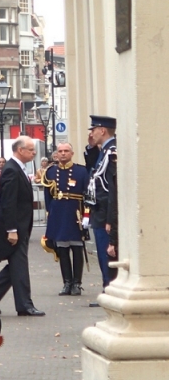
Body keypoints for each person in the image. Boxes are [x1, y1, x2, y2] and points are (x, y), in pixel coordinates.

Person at [0, 136, 45, 317]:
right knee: (19, 265)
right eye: (31, 149)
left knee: (17, 265)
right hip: (15, 227)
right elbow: (8, 202)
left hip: (20, 226)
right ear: (20, 150)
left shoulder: (17, 168)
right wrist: (11, 230)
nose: (34, 153)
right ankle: (25, 305)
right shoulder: (11, 170)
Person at [42, 143, 89, 295]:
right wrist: (51, 213)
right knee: (62, 249)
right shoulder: (50, 171)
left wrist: (86, 215)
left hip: (75, 213)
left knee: (76, 248)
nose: (63, 154)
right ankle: (67, 282)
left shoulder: (81, 171)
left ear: (72, 153)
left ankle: (77, 283)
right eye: (60, 151)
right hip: (59, 214)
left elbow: (88, 195)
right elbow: (48, 196)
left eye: (66, 151)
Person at [84, 115, 118, 296]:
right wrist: (91, 147)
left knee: (107, 256)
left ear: (102, 130)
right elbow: (92, 168)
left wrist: (109, 219)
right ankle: (107, 288)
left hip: (104, 212)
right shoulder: (103, 151)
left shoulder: (111, 153)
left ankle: (109, 290)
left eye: (93, 129)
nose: (91, 133)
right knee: (102, 255)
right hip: (99, 211)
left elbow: (112, 189)